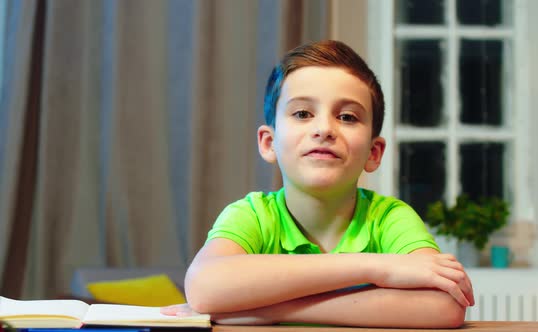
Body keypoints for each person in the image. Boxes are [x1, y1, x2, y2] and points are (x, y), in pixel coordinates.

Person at [161, 40, 474, 328]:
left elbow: (445, 305)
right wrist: (377, 268)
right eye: (302, 113)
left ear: (373, 152)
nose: (324, 129)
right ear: (269, 143)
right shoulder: (252, 215)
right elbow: (205, 287)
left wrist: (268, 310)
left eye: (348, 117)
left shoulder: (390, 218)